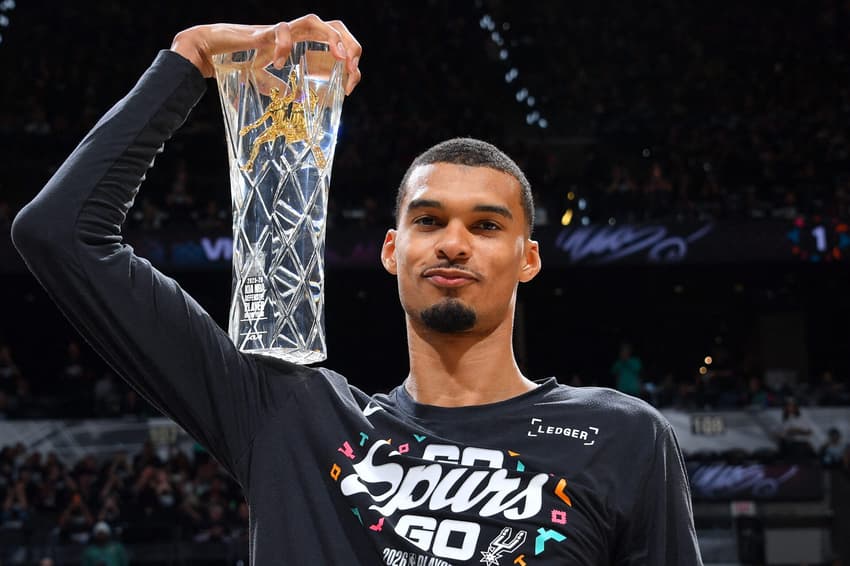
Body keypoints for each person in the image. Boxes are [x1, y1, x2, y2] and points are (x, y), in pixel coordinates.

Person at [11, 15, 702, 565]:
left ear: (528, 259)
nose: (454, 242)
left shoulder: (620, 437)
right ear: (392, 251)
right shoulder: (292, 417)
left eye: (486, 225)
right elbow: (60, 234)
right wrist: (192, 58)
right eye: (428, 221)